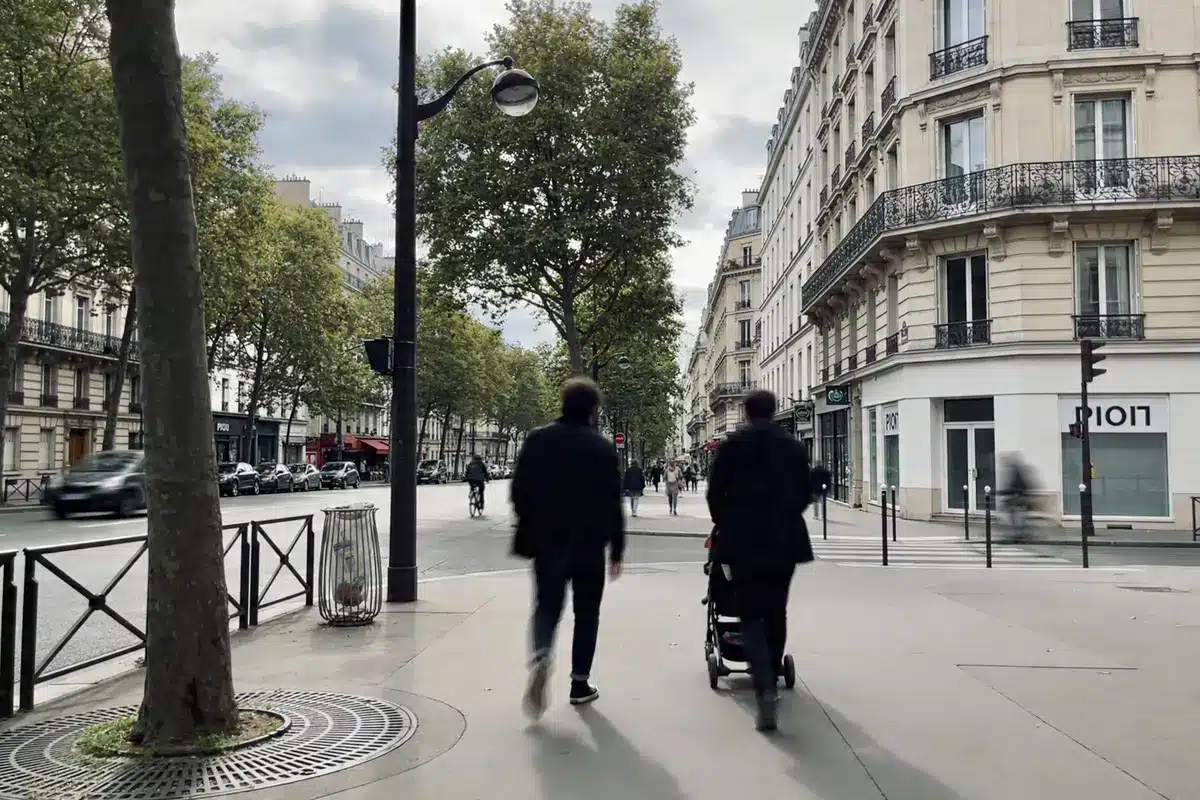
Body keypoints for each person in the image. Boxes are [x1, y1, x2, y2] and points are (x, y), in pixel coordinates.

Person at [511, 377, 625, 719]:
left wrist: (532, 521)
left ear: (562, 404)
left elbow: (519, 491)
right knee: (587, 614)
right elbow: (612, 502)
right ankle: (579, 683)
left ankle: (541, 655)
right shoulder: (602, 447)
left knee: (547, 606)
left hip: (548, 541)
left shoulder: (538, 439)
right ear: (593, 410)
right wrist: (617, 549)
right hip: (589, 543)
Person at [707, 389, 814, 732]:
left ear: (746, 412)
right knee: (776, 610)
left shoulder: (731, 446)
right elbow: (805, 493)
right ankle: (773, 666)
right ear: (774, 410)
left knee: (750, 613)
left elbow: (714, 493)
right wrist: (787, 516)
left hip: (743, 540)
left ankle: (764, 686)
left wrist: (726, 522)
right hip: (784, 539)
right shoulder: (793, 447)